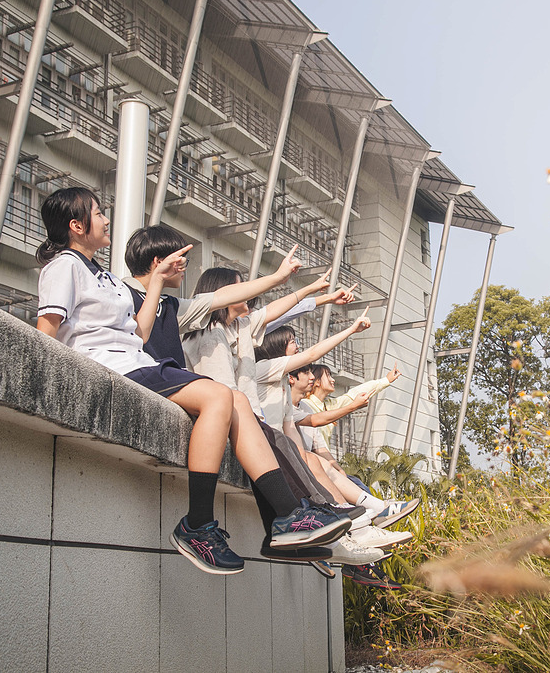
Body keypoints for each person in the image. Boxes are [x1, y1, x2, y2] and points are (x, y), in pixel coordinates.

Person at [34, 188, 350, 575]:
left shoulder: (105, 278)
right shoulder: (64, 265)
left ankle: (286, 518)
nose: (105, 218)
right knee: (221, 396)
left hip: (136, 361)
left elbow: (140, 332)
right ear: (76, 225)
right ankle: (199, 524)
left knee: (234, 400)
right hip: (111, 368)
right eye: (98, 213)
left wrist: (155, 285)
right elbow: (45, 334)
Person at [181, 264, 384, 567]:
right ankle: (305, 519)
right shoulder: (205, 333)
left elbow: (278, 310)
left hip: (245, 417)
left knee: (281, 443)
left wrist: (313, 292)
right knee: (275, 442)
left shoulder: (242, 327)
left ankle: (304, 526)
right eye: (240, 287)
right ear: (222, 293)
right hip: (225, 414)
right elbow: (221, 391)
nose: (248, 293)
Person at [304, 363, 421, 529]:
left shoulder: (328, 405)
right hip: (315, 466)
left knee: (360, 486)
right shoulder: (305, 406)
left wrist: (385, 380)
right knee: (356, 491)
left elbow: (354, 395)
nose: (332, 379)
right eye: (328, 375)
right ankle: (369, 524)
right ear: (316, 382)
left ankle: (375, 521)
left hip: (326, 463)